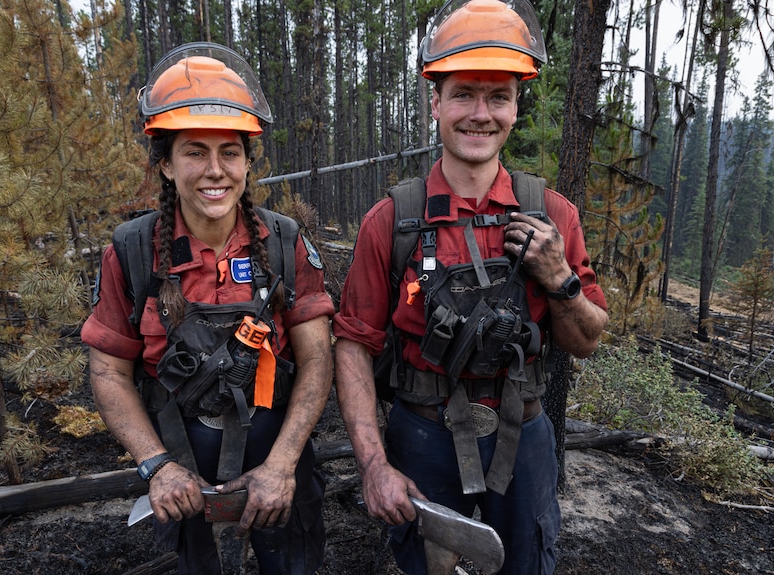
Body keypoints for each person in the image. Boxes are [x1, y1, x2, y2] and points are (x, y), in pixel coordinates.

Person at [333, 0, 609, 573]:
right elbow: (353, 345)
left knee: (528, 562)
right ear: (435, 103)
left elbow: (586, 340)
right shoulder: (392, 221)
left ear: (515, 108)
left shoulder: (552, 215)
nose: (479, 114)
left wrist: (558, 277)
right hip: (422, 436)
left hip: (525, 436)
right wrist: (374, 465)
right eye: (463, 94)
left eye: (498, 97)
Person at [82, 42, 334, 575]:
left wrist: (283, 464)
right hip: (180, 467)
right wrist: (157, 466)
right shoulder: (132, 252)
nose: (214, 170)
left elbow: (317, 360)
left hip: (276, 460)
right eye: (195, 151)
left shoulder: (285, 243)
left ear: (247, 162)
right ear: (168, 166)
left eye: (230, 152)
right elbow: (107, 369)